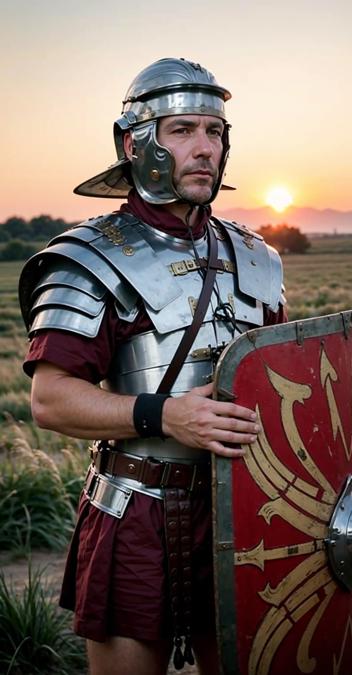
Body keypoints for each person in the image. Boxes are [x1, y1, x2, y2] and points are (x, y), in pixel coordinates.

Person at [19, 57, 286, 675]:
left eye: (214, 132)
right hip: (137, 508)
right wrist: (166, 415)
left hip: (242, 507)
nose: (204, 148)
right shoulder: (88, 260)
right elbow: (51, 399)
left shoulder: (259, 258)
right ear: (134, 142)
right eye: (183, 129)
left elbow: (279, 384)